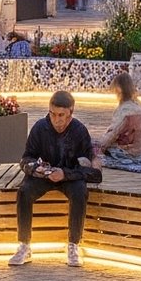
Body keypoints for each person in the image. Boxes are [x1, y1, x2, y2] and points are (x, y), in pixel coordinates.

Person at [10, 91, 96, 269]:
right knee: (24, 191)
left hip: (70, 176)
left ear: (70, 113)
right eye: (52, 114)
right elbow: (26, 159)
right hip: (45, 175)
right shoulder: (40, 127)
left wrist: (65, 174)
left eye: (61, 115)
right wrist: (36, 168)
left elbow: (90, 172)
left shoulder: (80, 131)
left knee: (80, 191)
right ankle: (24, 245)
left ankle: (73, 245)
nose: (56, 119)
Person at [95, 73, 141, 168]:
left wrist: (98, 146)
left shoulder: (124, 110)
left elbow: (112, 135)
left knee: (95, 148)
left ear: (119, 89)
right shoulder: (138, 105)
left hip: (129, 153)